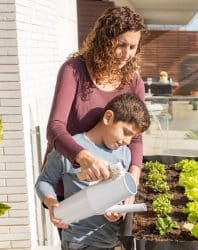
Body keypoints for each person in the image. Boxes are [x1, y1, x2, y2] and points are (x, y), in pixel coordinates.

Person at [45, 6, 146, 189]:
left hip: (111, 182)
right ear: (105, 41)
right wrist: (84, 157)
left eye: (133, 47)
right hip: (70, 177)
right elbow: (54, 128)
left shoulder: (134, 82)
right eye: (121, 45)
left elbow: (136, 137)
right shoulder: (74, 70)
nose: (127, 54)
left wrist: (134, 177)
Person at [36, 93, 151, 250]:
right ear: (108, 117)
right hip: (80, 241)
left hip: (114, 241)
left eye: (133, 137)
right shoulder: (72, 148)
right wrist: (51, 202)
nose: (127, 141)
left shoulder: (124, 153)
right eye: (126, 132)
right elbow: (44, 181)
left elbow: (120, 191)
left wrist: (119, 209)